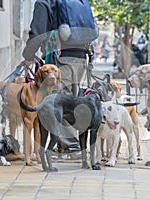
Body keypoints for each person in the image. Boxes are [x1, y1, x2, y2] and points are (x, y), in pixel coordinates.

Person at [22, 0, 95, 156]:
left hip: (61, 59)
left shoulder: (45, 2)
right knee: (71, 101)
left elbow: (37, 30)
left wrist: (28, 55)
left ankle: (71, 146)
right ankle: (69, 144)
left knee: (59, 103)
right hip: (81, 57)